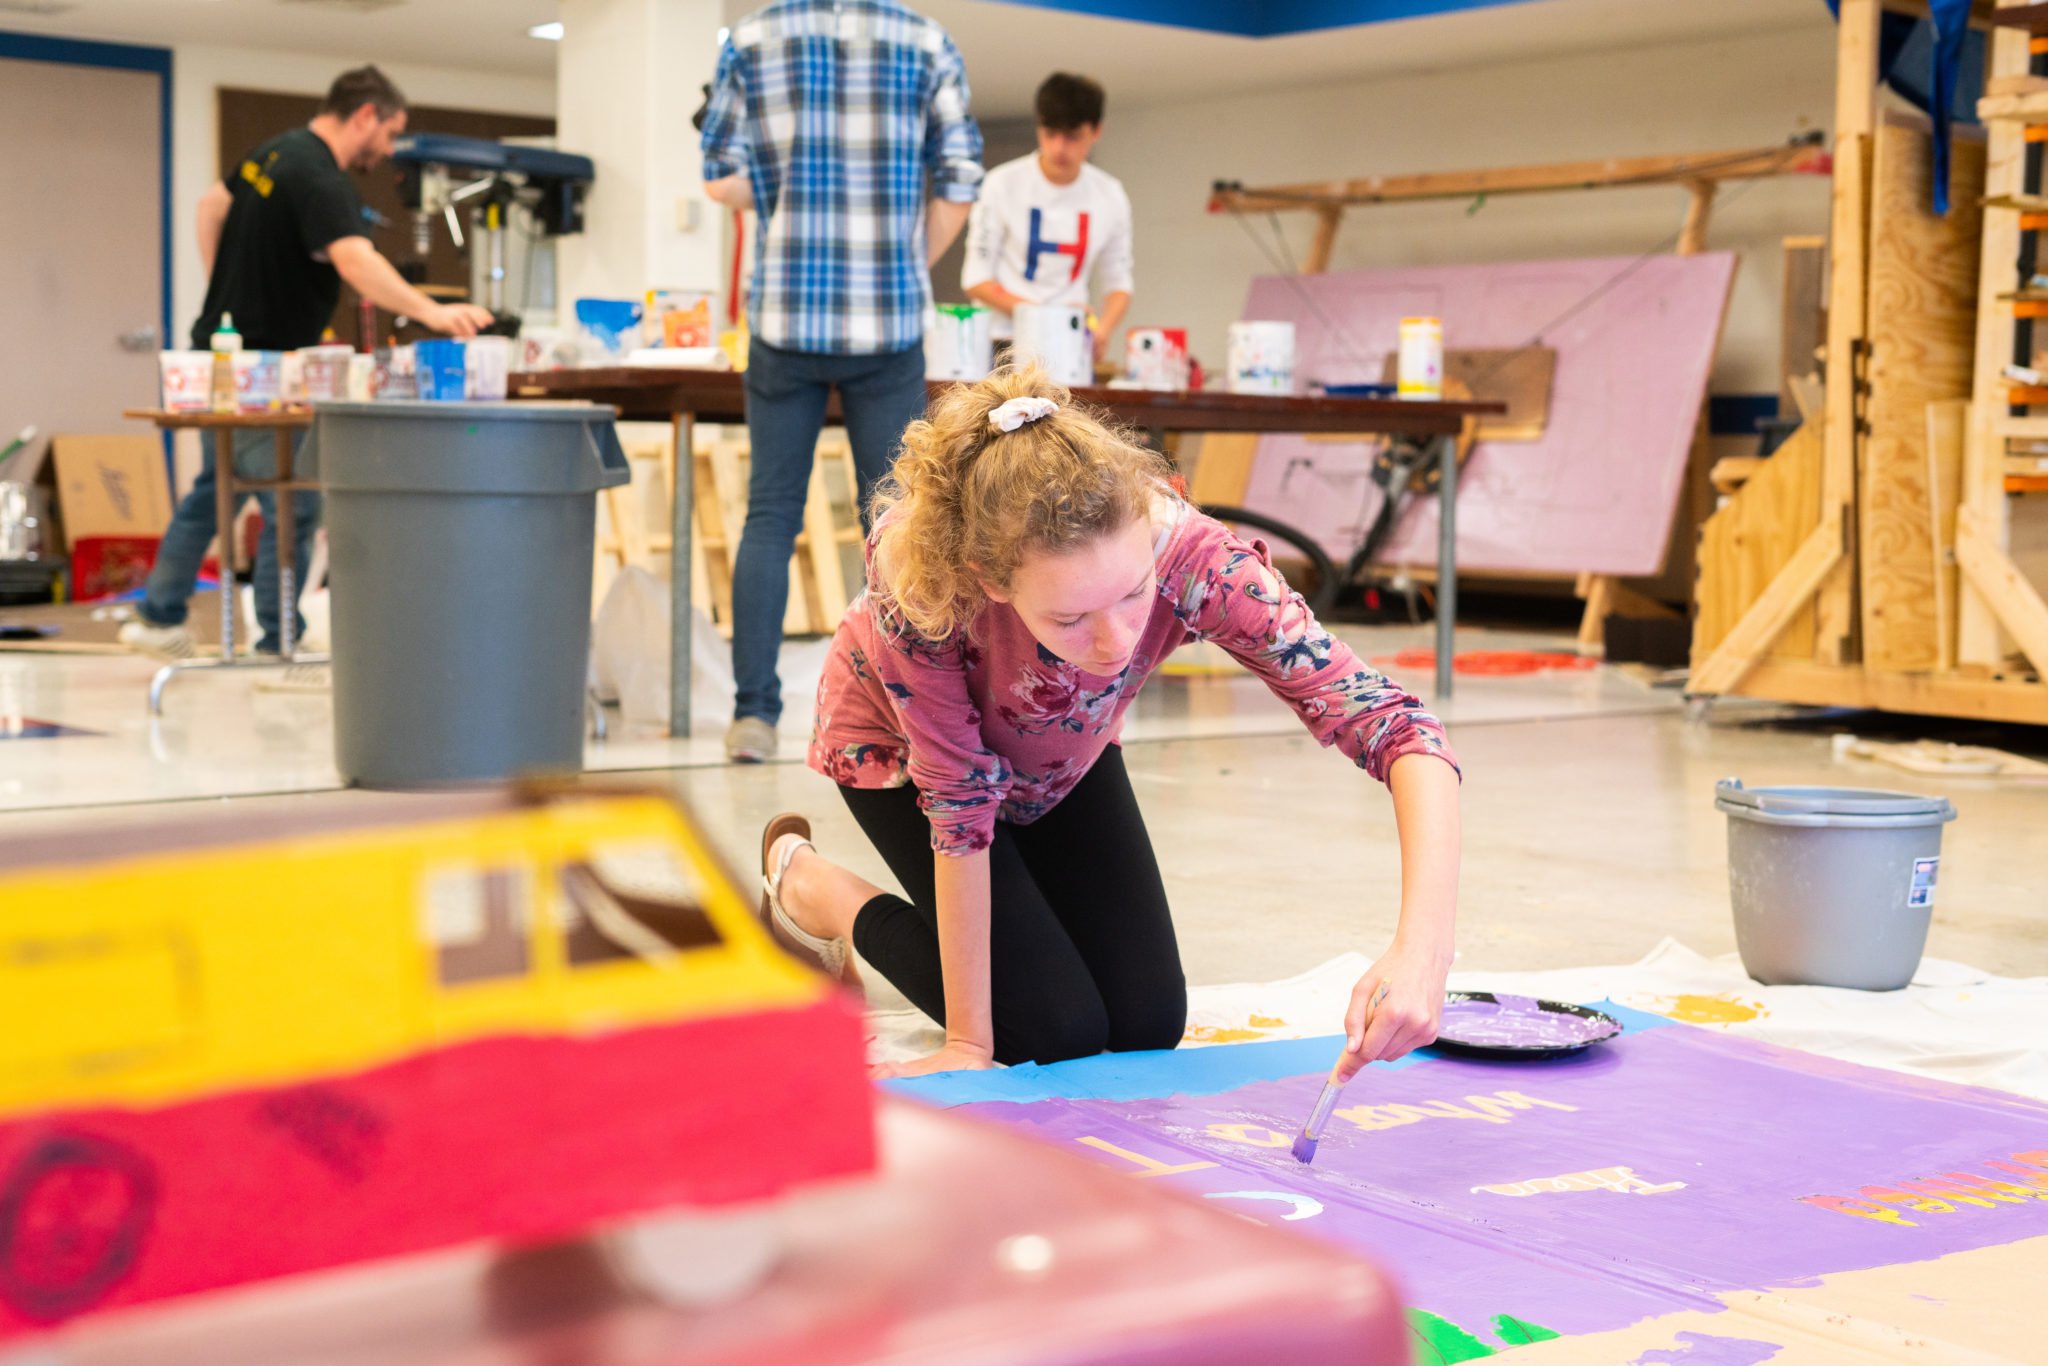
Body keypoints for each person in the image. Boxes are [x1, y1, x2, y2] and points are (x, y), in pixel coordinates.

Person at [754, 367, 1462, 1079]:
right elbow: (958, 800)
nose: (1119, 643)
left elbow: (1395, 725)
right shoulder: (921, 573)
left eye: (1133, 595)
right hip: (900, 751)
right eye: (1070, 617)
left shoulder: (1198, 562)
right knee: (1050, 1028)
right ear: (991, 581)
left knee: (1146, 1022)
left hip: (1059, 749)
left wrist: (1423, 951)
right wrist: (971, 1044)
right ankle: (807, 885)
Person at [121, 66, 493, 661]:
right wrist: (434, 313)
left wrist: (229, 289)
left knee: (217, 486)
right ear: (365, 115)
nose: (390, 148)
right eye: (391, 132)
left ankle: (158, 613)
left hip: (222, 349)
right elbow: (355, 262)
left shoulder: (271, 153)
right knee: (290, 499)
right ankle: (278, 637)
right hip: (264, 365)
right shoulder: (321, 176)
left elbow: (210, 205)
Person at [701, 0, 985, 764]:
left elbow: (717, 177)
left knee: (769, 516)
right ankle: (904, 713)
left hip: (783, 321)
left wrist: (783, 193)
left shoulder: (752, 40)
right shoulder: (927, 43)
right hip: (886, 323)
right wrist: (900, 262)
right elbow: (959, 179)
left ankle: (753, 718)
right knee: (898, 522)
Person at [961, 73, 1133, 366]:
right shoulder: (1001, 184)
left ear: (1096, 131)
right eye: (1049, 134)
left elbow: (1119, 282)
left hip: (1070, 343)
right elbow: (976, 279)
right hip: (1002, 343)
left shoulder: (1110, 194)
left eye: (1072, 136)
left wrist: (1102, 330)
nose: (1058, 148)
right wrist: (1046, 318)